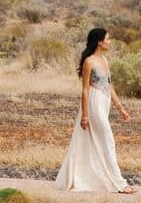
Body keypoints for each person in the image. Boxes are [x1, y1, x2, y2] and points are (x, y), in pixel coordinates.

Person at [54, 25, 134, 193]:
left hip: (104, 103)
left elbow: (109, 85)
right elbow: (85, 90)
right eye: (108, 39)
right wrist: (85, 115)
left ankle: (105, 180)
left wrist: (120, 107)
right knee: (108, 140)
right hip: (94, 104)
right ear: (99, 42)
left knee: (101, 141)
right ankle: (120, 184)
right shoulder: (89, 62)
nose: (110, 42)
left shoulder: (104, 60)